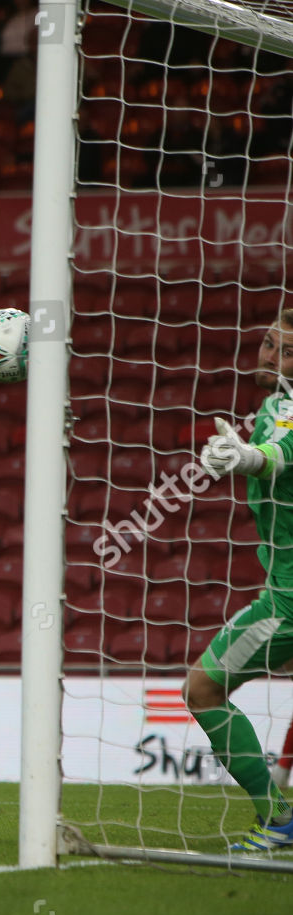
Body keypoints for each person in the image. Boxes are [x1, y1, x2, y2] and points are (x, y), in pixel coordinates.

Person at [188, 309, 293, 850]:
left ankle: (277, 820)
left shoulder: (286, 410)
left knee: (203, 688)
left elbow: (280, 455)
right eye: (269, 344)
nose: (271, 356)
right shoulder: (275, 406)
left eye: (287, 351)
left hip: (289, 598)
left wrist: (249, 457)